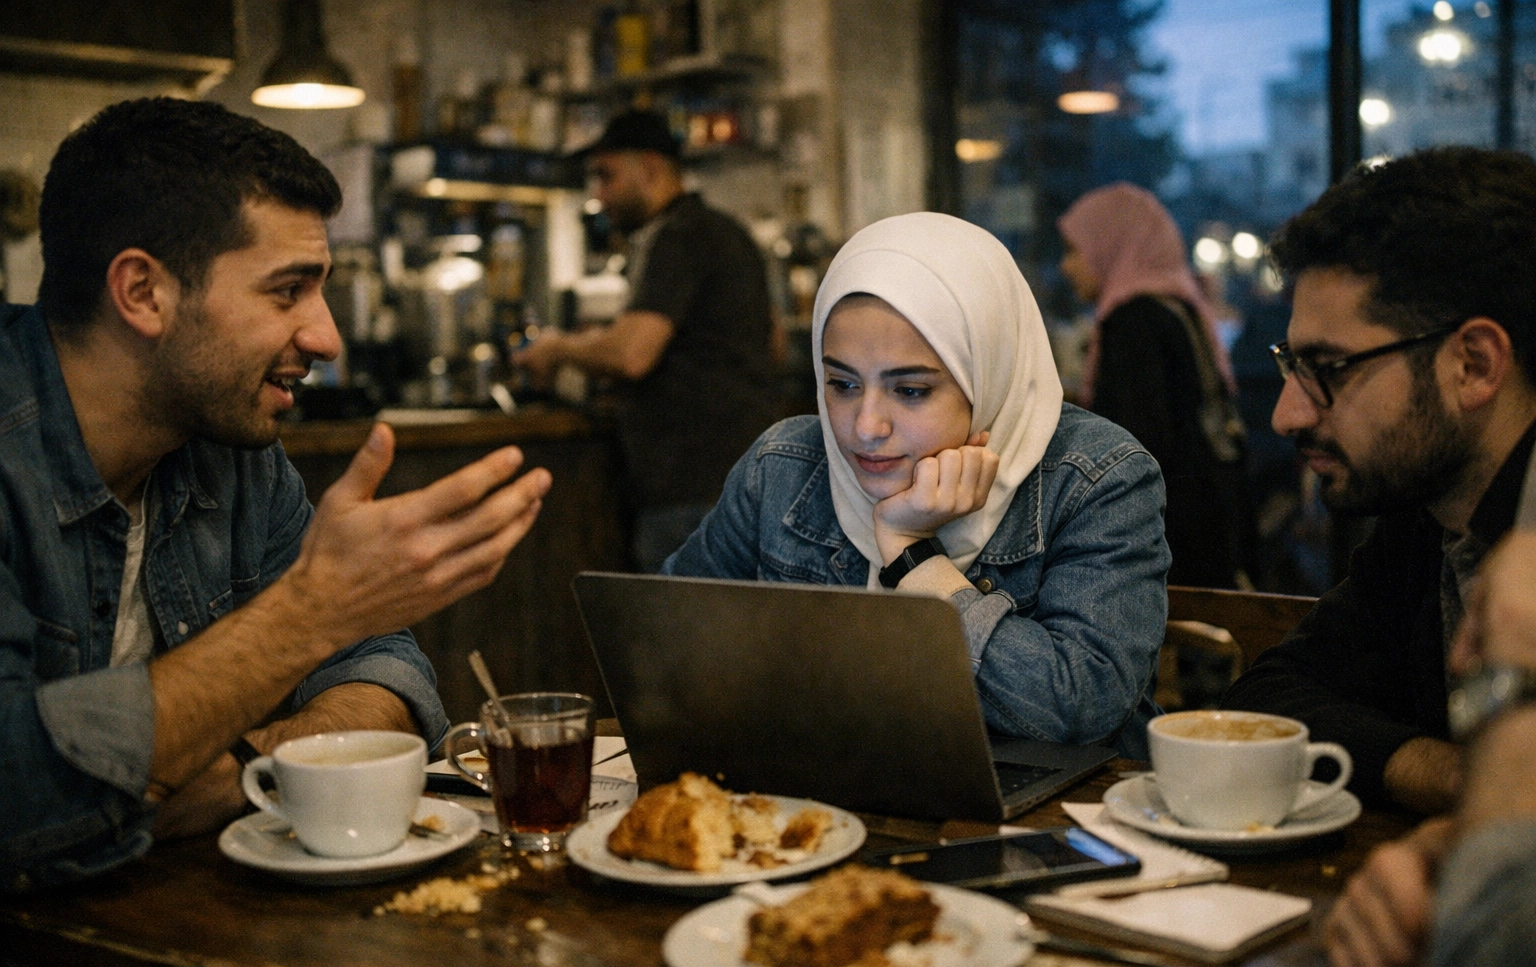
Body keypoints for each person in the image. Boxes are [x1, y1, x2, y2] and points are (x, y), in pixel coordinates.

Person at [0, 99, 552, 891]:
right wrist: (310, 615)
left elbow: (386, 672)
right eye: (287, 290)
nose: (327, 339)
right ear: (143, 292)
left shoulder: (232, 449)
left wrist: (228, 771)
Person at [661, 212, 1170, 755]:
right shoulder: (782, 466)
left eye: (910, 391)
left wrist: (913, 558)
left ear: (987, 375)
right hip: (824, 810)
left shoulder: (1098, 477)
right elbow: (663, 642)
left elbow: (1081, 708)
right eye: (842, 383)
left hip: (1049, 822)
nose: (865, 427)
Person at [1219, 147, 1536, 814]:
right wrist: (1453, 777)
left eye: (1329, 367)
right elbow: (1271, 695)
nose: (1287, 414)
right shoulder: (1430, 519)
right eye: (1291, 367)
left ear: (1474, 365)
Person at [512, 109, 778, 571]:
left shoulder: (677, 235)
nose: (598, 194)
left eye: (606, 176)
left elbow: (632, 354)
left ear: (650, 168)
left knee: (680, 639)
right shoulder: (724, 229)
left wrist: (556, 348)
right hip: (738, 481)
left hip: (690, 494)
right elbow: (773, 341)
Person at [1323, 530, 1536, 967]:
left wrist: (1514, 682)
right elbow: (1272, 685)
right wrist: (1454, 845)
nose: (1460, 658)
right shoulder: (1419, 535)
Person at [1058, 183, 1251, 589]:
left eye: (1075, 250)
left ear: (1112, 246)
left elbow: (1137, 444)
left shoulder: (1133, 322)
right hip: (1203, 524)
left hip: (1165, 543)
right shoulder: (1175, 306)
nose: (1066, 266)